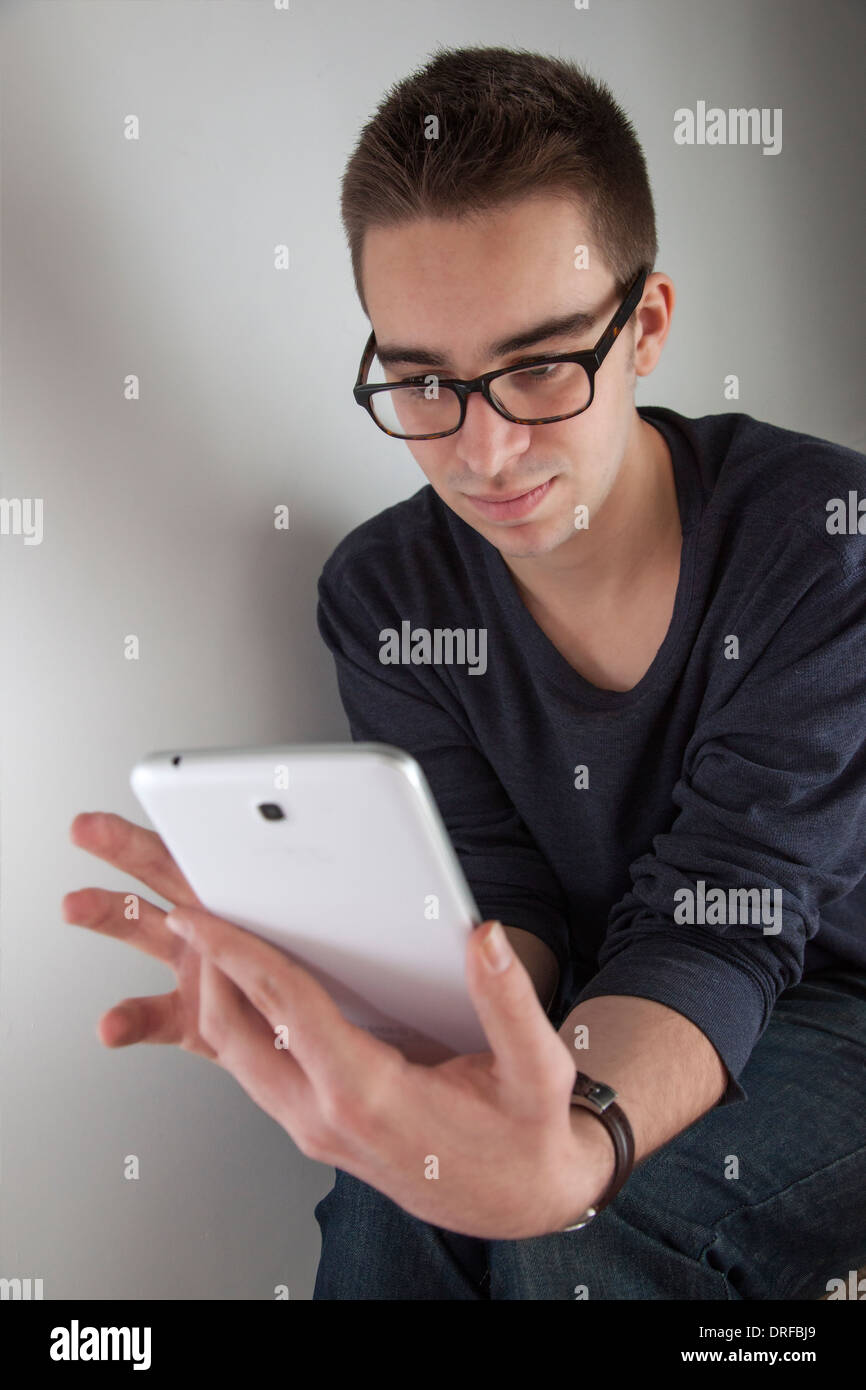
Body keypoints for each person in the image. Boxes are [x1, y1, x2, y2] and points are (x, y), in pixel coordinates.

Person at [310, 44, 866, 1298]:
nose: (485, 450)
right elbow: (497, 880)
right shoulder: (384, 591)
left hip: (839, 994)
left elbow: (731, 908)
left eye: (540, 364)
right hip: (631, 984)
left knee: (590, 1222)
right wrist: (449, 1062)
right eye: (421, 381)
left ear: (646, 327)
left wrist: (578, 1134)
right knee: (401, 1186)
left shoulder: (823, 535)